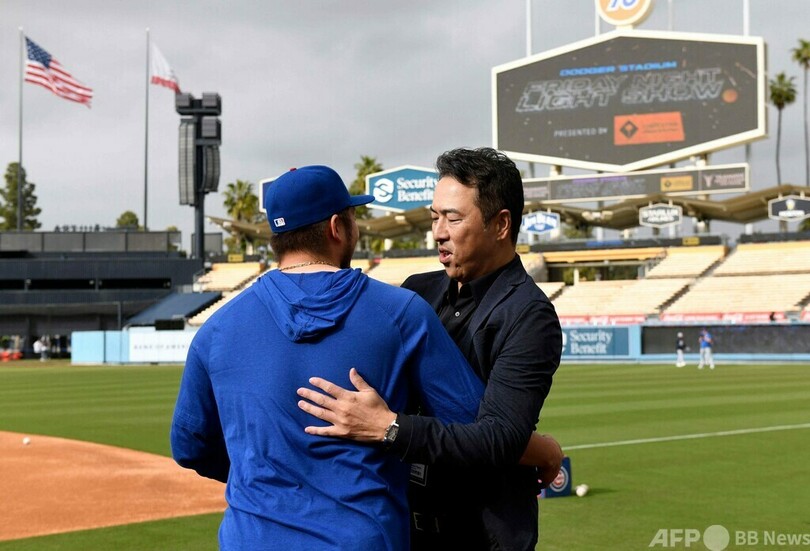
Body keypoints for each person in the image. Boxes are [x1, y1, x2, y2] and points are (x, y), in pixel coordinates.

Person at [170, 165, 487, 550]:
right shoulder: (402, 313)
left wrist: (266, 478)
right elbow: (475, 429)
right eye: (353, 217)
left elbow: (189, 447)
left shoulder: (217, 328)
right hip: (363, 539)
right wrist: (393, 430)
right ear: (337, 227)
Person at [298, 147, 563, 551]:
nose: (438, 232)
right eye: (434, 216)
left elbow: (498, 441)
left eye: (453, 218)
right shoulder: (416, 291)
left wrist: (389, 428)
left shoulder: (530, 316)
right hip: (404, 531)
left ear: (501, 224)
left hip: (481, 539)